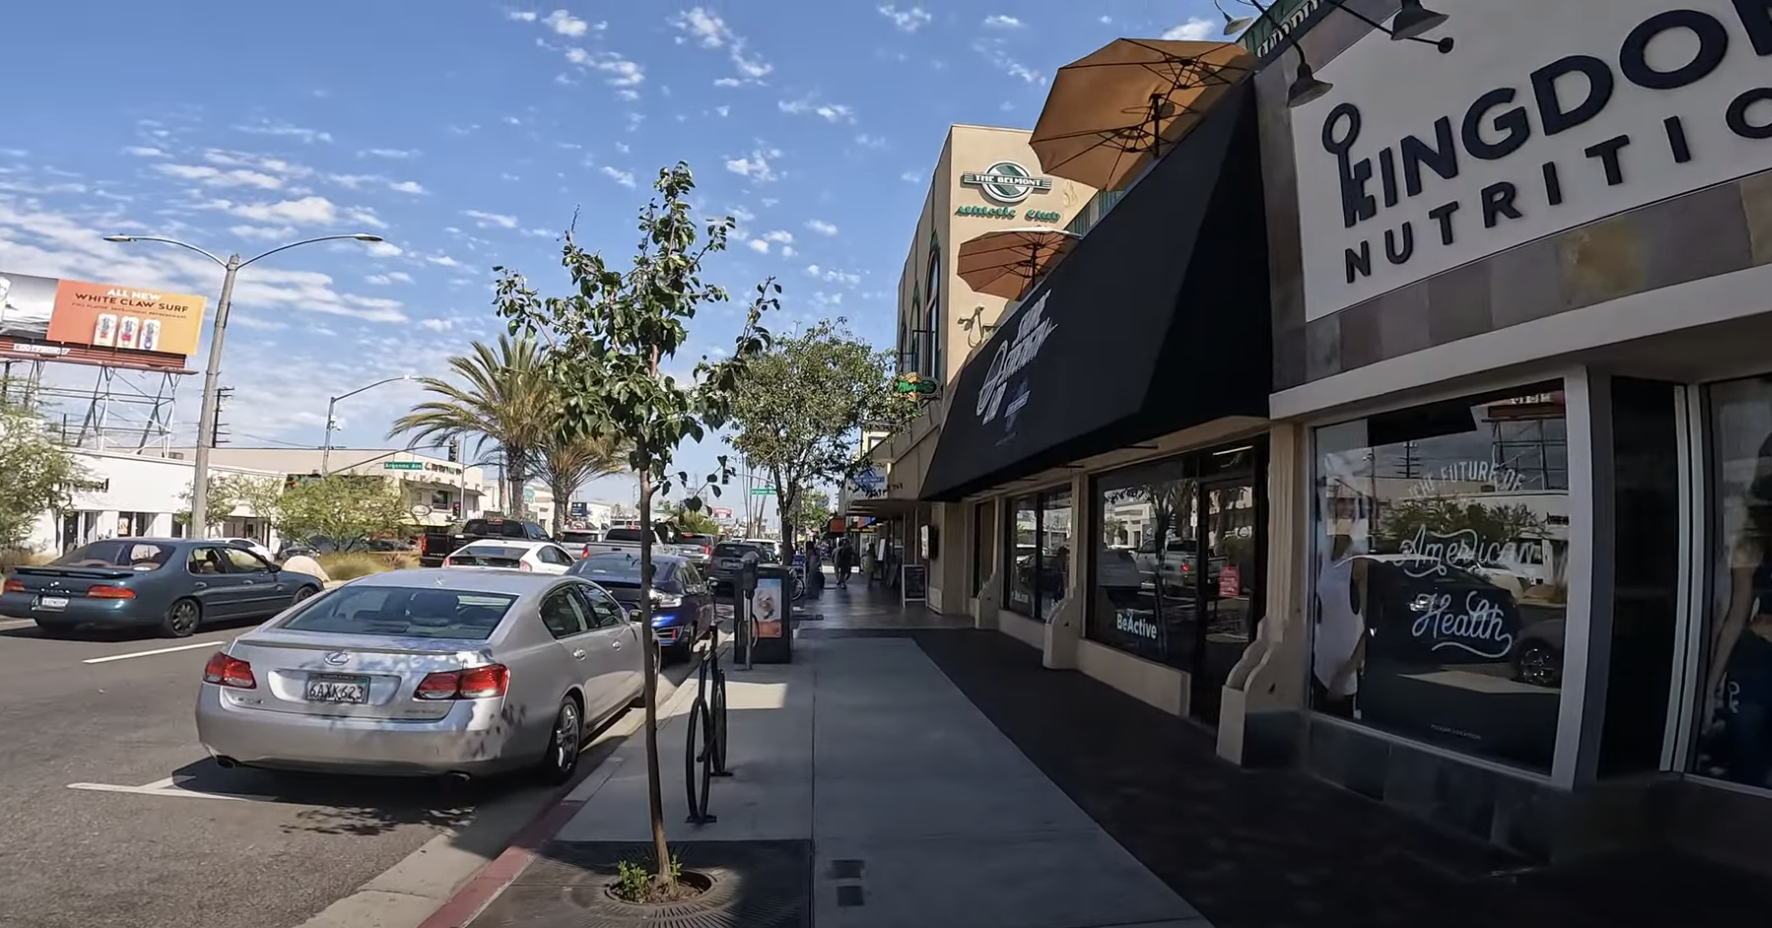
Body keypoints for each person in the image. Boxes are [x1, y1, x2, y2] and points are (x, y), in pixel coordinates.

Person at [1704, 432, 1772, 786]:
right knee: (1748, 769)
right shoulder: (1752, 536)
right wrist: (1710, 688)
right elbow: (1736, 617)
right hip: (1753, 673)